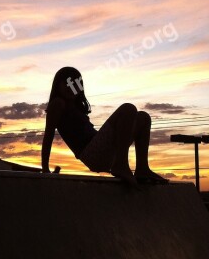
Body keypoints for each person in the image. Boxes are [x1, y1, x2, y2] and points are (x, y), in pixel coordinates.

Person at [41, 67, 169, 186]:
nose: (71, 87)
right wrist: (45, 168)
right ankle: (121, 164)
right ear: (58, 84)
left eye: (75, 84)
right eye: (67, 83)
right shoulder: (58, 104)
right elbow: (48, 135)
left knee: (143, 118)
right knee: (128, 108)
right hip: (91, 153)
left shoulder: (76, 106)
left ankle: (142, 169)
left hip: (103, 152)